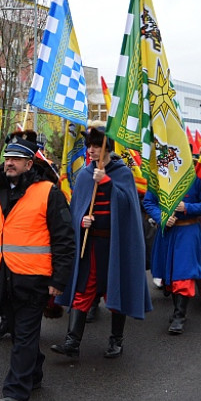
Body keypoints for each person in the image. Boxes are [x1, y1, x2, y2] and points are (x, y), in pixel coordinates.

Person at [0, 135, 74, 401]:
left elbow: (65, 239)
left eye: (16, 159)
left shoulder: (48, 192)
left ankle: (15, 393)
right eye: (7, 158)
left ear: (30, 163)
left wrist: (58, 280)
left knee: (26, 333)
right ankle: (35, 371)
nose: (9, 163)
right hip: (1, 277)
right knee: (17, 332)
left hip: (34, 279)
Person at [51, 127, 151, 360]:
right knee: (83, 290)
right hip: (91, 244)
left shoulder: (123, 173)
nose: (91, 150)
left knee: (116, 291)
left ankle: (116, 340)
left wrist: (106, 182)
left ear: (107, 148)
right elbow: (77, 209)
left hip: (115, 246)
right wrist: (82, 221)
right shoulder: (86, 175)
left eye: (97, 145)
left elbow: (127, 207)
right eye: (90, 145)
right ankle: (72, 341)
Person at [144, 175, 201, 335]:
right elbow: (149, 202)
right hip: (167, 232)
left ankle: (179, 316)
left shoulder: (198, 178)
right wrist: (162, 217)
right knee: (170, 274)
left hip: (188, 231)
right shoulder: (159, 176)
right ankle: (178, 310)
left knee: (183, 274)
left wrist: (187, 207)